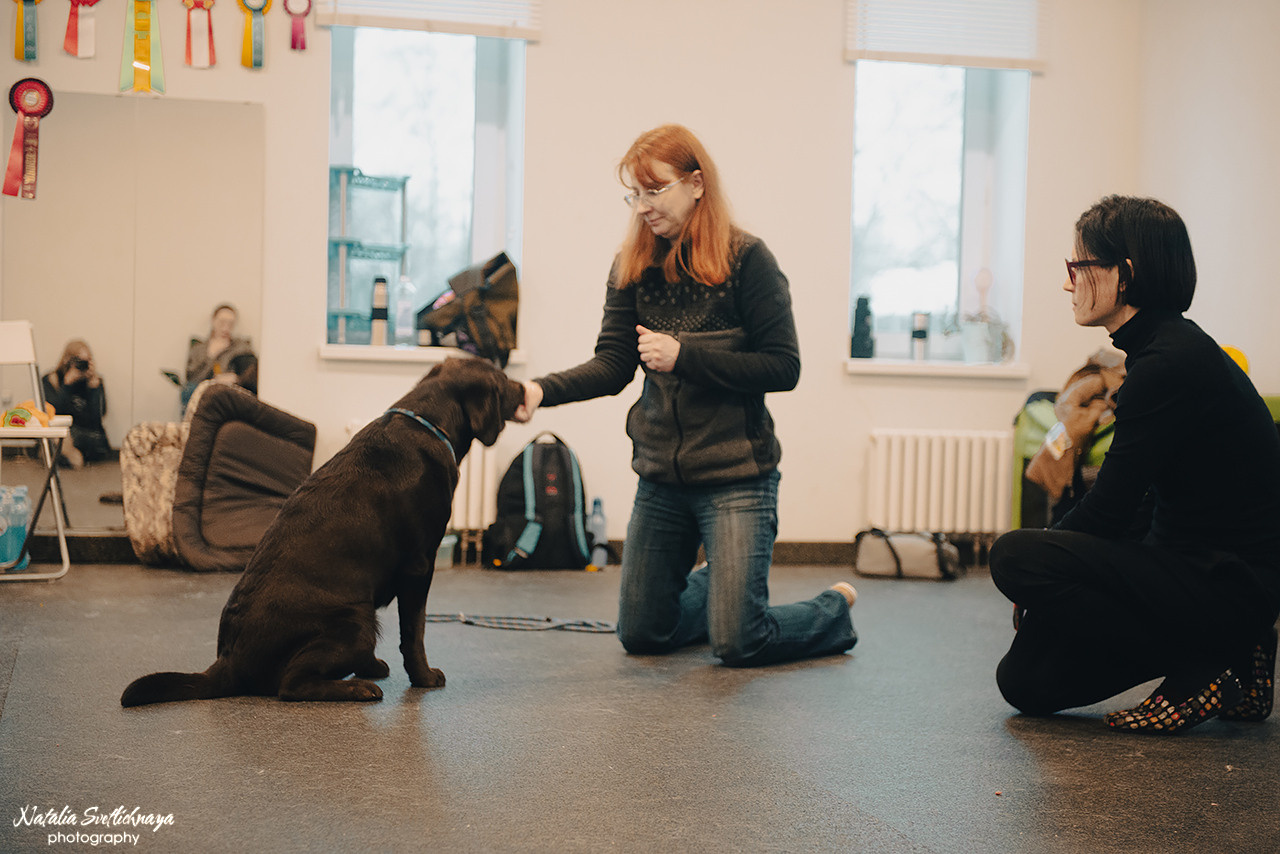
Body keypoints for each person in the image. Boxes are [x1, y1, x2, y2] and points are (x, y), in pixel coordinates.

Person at [513, 124, 857, 667]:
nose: (644, 206)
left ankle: (831, 610)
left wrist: (685, 357)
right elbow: (612, 365)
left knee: (740, 642)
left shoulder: (748, 260)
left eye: (656, 190)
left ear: (696, 184)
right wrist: (538, 390)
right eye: (635, 194)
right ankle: (724, 588)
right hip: (662, 480)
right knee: (642, 635)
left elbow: (783, 367)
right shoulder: (633, 265)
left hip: (738, 478)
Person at [991, 195, 1280, 733]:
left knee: (1013, 556)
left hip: (1227, 581)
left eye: (1077, 267)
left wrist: (1043, 568)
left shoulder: (1170, 362)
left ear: (1123, 275)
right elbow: (1134, 508)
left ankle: (1205, 665)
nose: (1067, 283)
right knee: (1024, 681)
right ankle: (1234, 650)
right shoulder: (1157, 354)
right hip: (1181, 571)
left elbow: (1106, 511)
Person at [41, 339, 111, 468]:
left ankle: (65, 454)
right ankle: (68, 454)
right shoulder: (52, 379)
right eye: (79, 361)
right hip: (63, 429)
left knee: (64, 437)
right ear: (67, 360)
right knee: (55, 432)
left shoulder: (94, 382)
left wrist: (94, 390)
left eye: (86, 361)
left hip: (88, 434)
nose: (82, 366)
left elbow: (97, 420)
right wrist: (67, 386)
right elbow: (52, 413)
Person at [183, 304, 258, 410]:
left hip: (229, 392)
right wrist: (212, 355)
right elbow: (192, 379)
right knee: (189, 389)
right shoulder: (199, 349)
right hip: (204, 391)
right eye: (222, 322)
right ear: (213, 321)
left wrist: (236, 378)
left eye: (230, 324)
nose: (226, 328)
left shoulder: (240, 346)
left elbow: (252, 373)